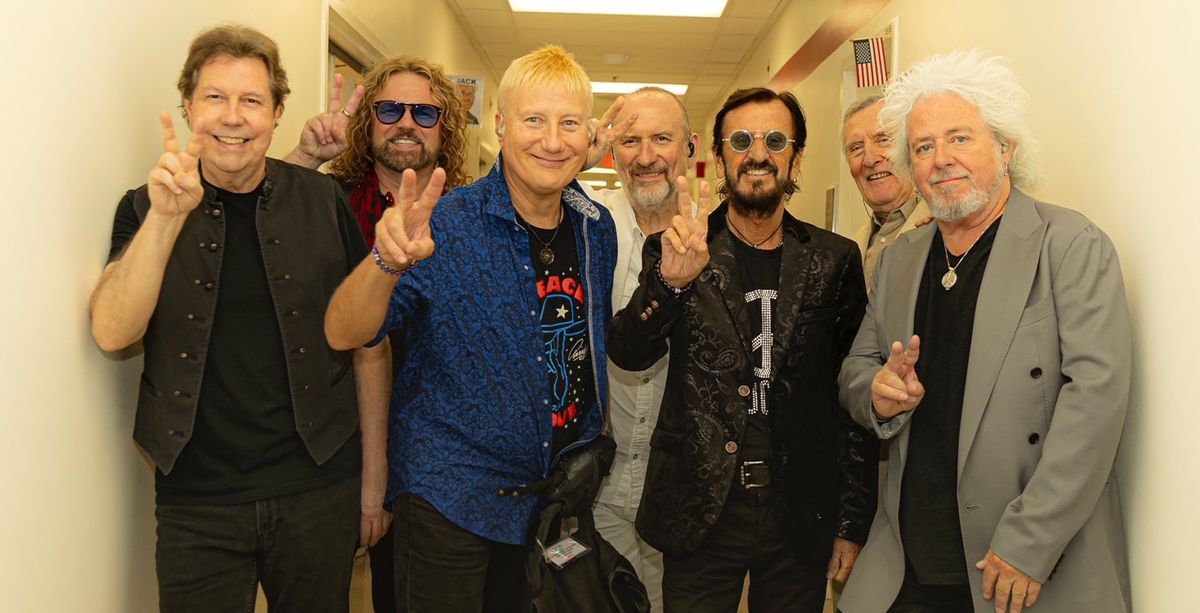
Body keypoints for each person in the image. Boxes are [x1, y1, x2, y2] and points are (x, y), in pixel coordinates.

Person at [88, 24, 387, 612]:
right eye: (215, 97)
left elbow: (368, 344)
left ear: (276, 113)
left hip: (318, 488)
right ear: (188, 105)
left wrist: (373, 480)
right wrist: (166, 219)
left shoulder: (322, 201)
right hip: (197, 501)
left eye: (251, 99)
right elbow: (112, 331)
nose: (232, 116)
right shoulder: (145, 206)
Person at [322, 44, 621, 612]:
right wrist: (384, 262)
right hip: (450, 500)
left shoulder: (595, 226)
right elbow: (344, 333)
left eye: (568, 124)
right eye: (533, 120)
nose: (552, 140)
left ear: (588, 135)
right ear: (502, 125)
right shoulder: (444, 222)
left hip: (548, 502)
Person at [837, 50, 1132, 613]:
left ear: (1005, 148)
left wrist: (1030, 542)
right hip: (909, 564)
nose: (941, 160)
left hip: (1021, 565)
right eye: (923, 147)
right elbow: (855, 369)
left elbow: (1095, 403)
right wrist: (876, 392)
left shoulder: (1069, 245)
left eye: (959, 138)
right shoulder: (901, 259)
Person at [607, 87, 877, 613]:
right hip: (700, 509)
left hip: (799, 512)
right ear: (719, 157)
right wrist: (671, 283)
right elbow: (628, 352)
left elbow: (850, 401)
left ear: (796, 158)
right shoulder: (680, 247)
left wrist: (850, 521)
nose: (757, 154)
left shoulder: (834, 260)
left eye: (774, 140)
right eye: (740, 141)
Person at [283, 55, 473, 613]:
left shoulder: (468, 214)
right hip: (331, 445)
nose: (406, 123)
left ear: (445, 127)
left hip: (435, 459)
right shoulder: (327, 201)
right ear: (367, 121)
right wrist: (305, 158)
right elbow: (257, 217)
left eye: (424, 112)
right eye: (390, 110)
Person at [587, 86, 701, 612]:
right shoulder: (586, 226)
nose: (646, 155)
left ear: (690, 148)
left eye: (662, 138)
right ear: (612, 152)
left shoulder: (718, 239)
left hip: (682, 497)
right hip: (598, 488)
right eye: (630, 141)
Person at [842, 95, 931, 294]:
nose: (870, 159)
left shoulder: (945, 227)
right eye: (856, 148)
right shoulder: (851, 247)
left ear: (910, 148)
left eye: (883, 140)